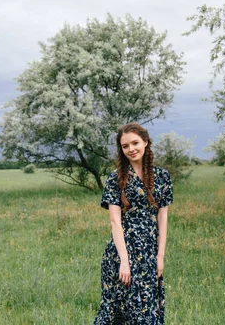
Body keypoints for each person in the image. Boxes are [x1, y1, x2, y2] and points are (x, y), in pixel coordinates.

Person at [94, 123, 174, 324]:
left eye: (135, 143)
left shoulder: (162, 177)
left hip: (148, 254)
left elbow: (162, 218)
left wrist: (160, 256)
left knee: (147, 312)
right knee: (116, 312)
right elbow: (115, 221)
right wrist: (124, 261)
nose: (131, 149)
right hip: (121, 254)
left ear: (146, 142)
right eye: (125, 146)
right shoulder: (116, 178)